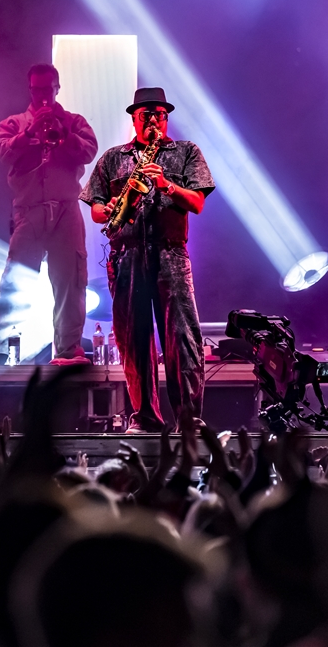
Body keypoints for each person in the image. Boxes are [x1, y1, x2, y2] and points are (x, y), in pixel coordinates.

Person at [80, 87, 214, 433]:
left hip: (170, 253)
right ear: (135, 119)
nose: (153, 120)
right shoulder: (113, 158)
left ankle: (189, 418)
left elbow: (196, 203)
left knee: (182, 338)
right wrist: (106, 209)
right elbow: (95, 206)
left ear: (166, 118)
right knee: (133, 340)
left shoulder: (185, 152)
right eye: (146, 114)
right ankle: (144, 418)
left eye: (159, 114)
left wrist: (167, 184)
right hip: (126, 256)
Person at [0, 64, 99, 364]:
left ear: (57, 88)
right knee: (16, 280)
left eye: (48, 89)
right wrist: (30, 133)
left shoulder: (74, 122)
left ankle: (67, 347)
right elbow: (2, 151)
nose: (43, 96)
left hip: (66, 209)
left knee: (70, 281)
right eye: (37, 90)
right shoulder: (13, 123)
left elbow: (89, 151)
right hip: (29, 210)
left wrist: (64, 133)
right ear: (30, 90)